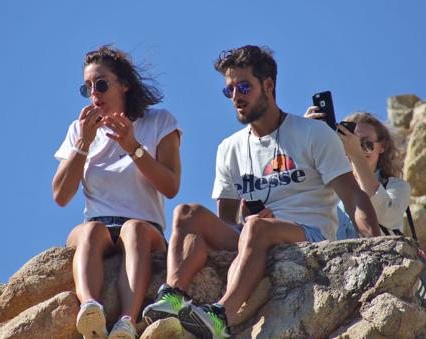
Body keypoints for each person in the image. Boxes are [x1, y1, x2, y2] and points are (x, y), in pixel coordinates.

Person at [142, 45, 379, 339]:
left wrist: (374, 245)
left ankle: (221, 316)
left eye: (243, 87)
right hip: (256, 233)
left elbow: (353, 195)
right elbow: (225, 220)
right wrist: (245, 218)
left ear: (268, 85)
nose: (236, 97)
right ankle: (173, 295)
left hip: (310, 236)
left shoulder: (312, 133)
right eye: (229, 91)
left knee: (255, 228)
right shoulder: (229, 148)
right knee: (186, 213)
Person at [52, 46, 181, 339]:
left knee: (134, 229)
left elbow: (171, 186)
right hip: (97, 224)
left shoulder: (159, 121)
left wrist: (133, 148)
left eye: (101, 84)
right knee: (90, 232)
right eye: (87, 88)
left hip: (144, 226)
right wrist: (82, 144)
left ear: (124, 84)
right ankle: (90, 311)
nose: (94, 93)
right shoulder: (80, 129)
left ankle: (126, 321)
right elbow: (61, 195)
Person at [304, 109, 411, 239]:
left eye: (365, 144)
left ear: (382, 146)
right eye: (346, 142)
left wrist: (356, 155)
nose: (356, 148)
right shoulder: (327, 189)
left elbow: (387, 215)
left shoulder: (397, 187)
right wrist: (305, 138)